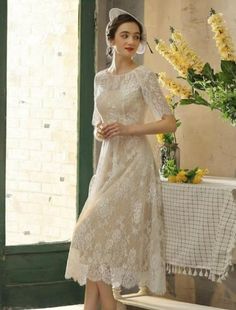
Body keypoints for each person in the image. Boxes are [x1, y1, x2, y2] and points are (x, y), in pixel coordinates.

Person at [65, 8, 176, 310]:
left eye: (136, 36)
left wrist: (129, 129)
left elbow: (168, 122)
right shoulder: (100, 78)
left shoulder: (143, 76)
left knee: (87, 236)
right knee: (92, 244)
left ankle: (108, 306)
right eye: (124, 35)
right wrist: (102, 131)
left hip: (135, 165)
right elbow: (97, 125)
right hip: (108, 163)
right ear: (111, 39)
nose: (131, 41)